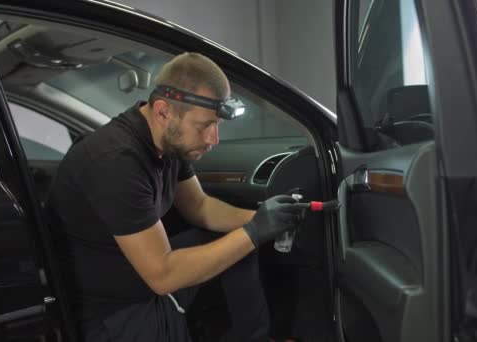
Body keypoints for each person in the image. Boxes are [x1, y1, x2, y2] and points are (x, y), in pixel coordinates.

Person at [48, 52, 303, 341]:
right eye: (204, 125)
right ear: (162, 112)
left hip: (139, 283)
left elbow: (200, 207)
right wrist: (254, 232)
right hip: (111, 313)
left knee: (230, 241)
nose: (213, 139)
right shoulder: (116, 160)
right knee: (241, 241)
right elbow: (163, 275)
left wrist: (266, 219)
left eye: (217, 125)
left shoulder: (168, 143)